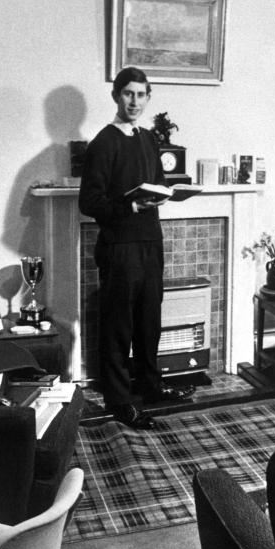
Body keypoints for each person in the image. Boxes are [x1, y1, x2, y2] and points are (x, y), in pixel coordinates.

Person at [79, 67, 194, 429]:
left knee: (149, 321)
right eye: (128, 94)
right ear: (116, 95)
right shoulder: (103, 142)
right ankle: (119, 400)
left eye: (141, 95)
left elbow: (157, 184)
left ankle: (150, 385)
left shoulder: (148, 139)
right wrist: (128, 206)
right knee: (118, 327)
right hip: (119, 246)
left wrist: (166, 196)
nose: (134, 101)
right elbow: (89, 200)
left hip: (150, 241)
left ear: (148, 98)